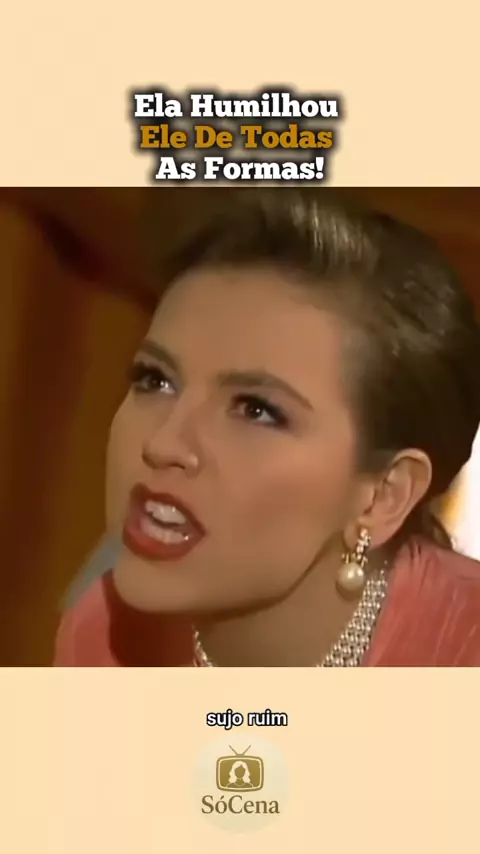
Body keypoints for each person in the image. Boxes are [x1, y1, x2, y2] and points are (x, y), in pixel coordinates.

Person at [54, 188, 480, 667]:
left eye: (256, 410)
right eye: (155, 379)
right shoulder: (101, 636)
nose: (163, 443)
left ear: (383, 495)